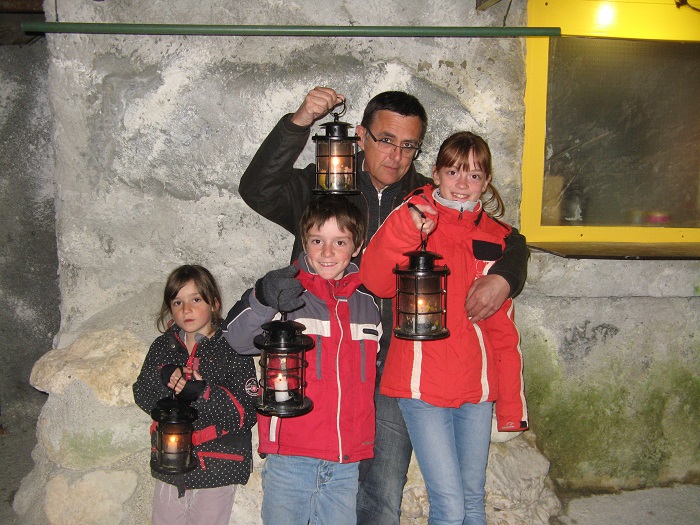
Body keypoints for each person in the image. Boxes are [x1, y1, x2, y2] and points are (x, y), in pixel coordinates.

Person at [238, 87, 530, 524]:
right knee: (312, 483)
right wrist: (300, 121)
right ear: (360, 136)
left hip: (399, 363)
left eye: (408, 145)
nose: (396, 155)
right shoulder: (325, 184)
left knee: (381, 490)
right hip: (329, 364)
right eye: (386, 140)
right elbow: (257, 189)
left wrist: (505, 278)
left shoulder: (428, 200)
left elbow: (510, 240)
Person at [359, 131, 528, 525]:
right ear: (435, 173)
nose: (463, 182)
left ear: (486, 182)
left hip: (476, 386)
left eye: (474, 174)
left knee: (472, 500)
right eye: (453, 171)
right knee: (449, 506)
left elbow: (503, 330)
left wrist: (511, 404)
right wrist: (407, 227)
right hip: (422, 382)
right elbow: (376, 280)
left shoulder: (498, 238)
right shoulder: (412, 216)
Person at [223, 196, 382, 525]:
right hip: (291, 456)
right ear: (304, 242)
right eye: (317, 241)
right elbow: (236, 341)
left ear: (357, 246)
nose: (327, 252)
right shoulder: (285, 295)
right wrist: (263, 297)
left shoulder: (369, 302)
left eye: (340, 241)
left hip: (345, 460)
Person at [133, 265, 258, 525]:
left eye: (195, 300)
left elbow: (245, 413)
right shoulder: (163, 347)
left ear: (214, 303)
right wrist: (166, 381)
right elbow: (141, 393)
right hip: (171, 459)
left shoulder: (233, 347)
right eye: (177, 301)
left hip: (218, 462)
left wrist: (204, 393)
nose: (186, 309)